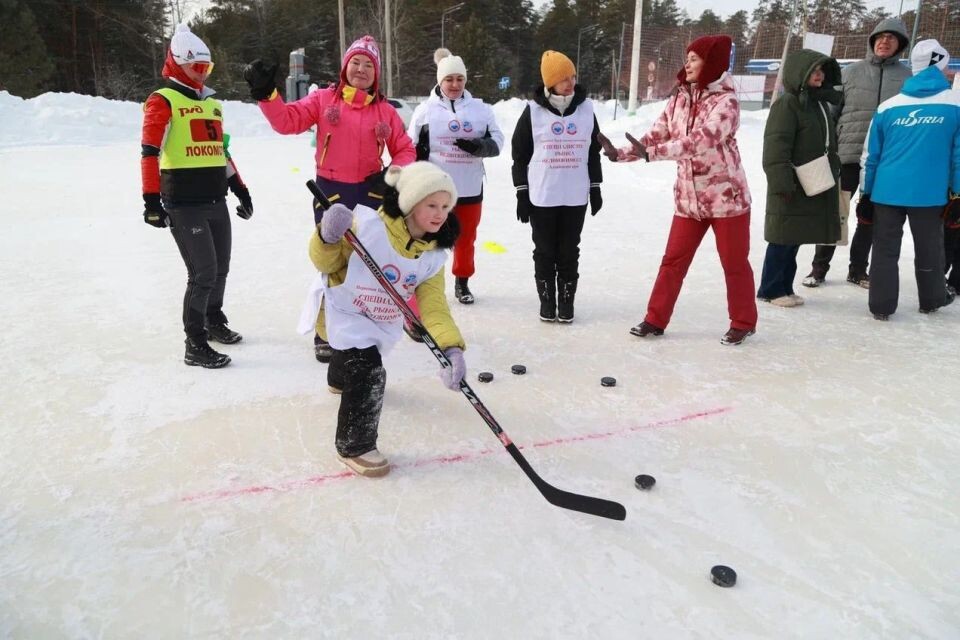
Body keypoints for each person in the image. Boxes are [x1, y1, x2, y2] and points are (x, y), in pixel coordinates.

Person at [243, 35, 416, 363]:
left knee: (366, 262)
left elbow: (406, 149)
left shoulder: (384, 110)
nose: (361, 69)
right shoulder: (323, 100)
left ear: (376, 73)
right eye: (356, 62)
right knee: (333, 262)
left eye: (368, 65)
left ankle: (360, 326)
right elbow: (287, 122)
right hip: (330, 193)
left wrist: (391, 174)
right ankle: (325, 331)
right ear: (345, 67)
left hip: (370, 194)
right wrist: (267, 95)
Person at [306, 162, 466, 477]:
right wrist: (326, 236)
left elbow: (433, 306)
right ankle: (355, 445)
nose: (439, 213)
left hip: (380, 315)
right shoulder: (367, 226)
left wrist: (451, 348)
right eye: (431, 205)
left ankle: (339, 379)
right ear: (409, 204)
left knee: (359, 356)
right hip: (346, 307)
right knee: (368, 369)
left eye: (445, 207)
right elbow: (326, 262)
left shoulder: (432, 255)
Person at [601, 35, 757, 345]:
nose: (687, 63)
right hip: (689, 200)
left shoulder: (726, 102)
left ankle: (743, 321)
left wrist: (652, 154)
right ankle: (655, 319)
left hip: (727, 200)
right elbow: (655, 136)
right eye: (687, 57)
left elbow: (700, 141)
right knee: (673, 260)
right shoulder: (679, 98)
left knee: (734, 263)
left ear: (711, 63)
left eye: (695, 58)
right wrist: (621, 153)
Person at [140, 24, 253, 369]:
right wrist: (151, 202)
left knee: (221, 269)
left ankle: (213, 320)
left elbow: (219, 152)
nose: (202, 74)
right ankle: (195, 344)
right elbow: (149, 153)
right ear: (177, 64)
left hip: (215, 200)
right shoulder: (162, 101)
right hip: (183, 204)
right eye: (196, 67)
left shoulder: (213, 104)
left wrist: (241, 189)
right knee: (203, 272)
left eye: (207, 68)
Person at [802, 18, 911, 290]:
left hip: (884, 161)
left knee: (870, 215)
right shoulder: (851, 73)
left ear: (901, 45)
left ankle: (858, 270)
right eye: (880, 37)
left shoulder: (907, 78)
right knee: (835, 211)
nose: (884, 42)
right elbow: (832, 112)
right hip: (848, 155)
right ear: (872, 41)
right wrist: (828, 148)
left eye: (891, 38)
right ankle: (818, 268)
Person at [861, 39, 959, 320]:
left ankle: (880, 307)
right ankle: (931, 300)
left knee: (884, 250)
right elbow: (958, 158)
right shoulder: (954, 105)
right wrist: (958, 194)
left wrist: (866, 193)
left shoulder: (888, 106)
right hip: (929, 195)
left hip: (886, 192)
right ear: (940, 65)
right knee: (929, 248)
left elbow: (871, 156)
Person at [511, 50, 603, 323]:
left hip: (575, 196)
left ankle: (566, 301)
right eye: (563, 78)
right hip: (543, 195)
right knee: (544, 251)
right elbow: (520, 155)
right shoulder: (532, 113)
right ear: (550, 82)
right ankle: (547, 300)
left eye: (572, 76)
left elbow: (593, 152)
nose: (570, 82)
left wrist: (596, 187)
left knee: (569, 250)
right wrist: (521, 192)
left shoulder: (586, 110)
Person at [407, 48, 504, 305]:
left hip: (469, 188)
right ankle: (425, 282)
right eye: (449, 79)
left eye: (459, 79)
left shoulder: (481, 110)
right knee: (428, 237)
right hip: (433, 189)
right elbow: (408, 146)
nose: (454, 84)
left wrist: (479, 147)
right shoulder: (425, 110)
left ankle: (462, 282)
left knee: (466, 238)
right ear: (440, 81)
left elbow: (498, 142)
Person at [757, 50, 843, 307]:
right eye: (814, 70)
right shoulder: (787, 104)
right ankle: (770, 289)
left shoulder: (817, 103)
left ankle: (784, 286)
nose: (819, 75)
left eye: (821, 71)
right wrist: (782, 183)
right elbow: (775, 148)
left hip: (810, 183)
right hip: (791, 184)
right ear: (799, 73)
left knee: (793, 238)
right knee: (782, 239)